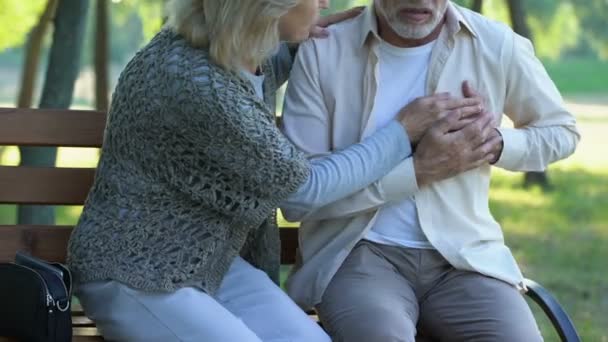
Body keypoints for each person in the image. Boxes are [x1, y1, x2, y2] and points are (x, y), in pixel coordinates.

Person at [67, 0, 484, 341]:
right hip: (138, 276)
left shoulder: (230, 53)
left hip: (211, 263)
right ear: (269, 7)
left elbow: (253, 81)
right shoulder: (195, 85)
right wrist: (402, 132)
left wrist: (301, 43)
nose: (325, 4)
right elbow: (304, 186)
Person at [281, 0, 580, 341]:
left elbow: (561, 132)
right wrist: (418, 170)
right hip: (356, 254)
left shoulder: (495, 42)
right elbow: (299, 194)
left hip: (465, 259)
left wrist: (493, 143)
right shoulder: (325, 48)